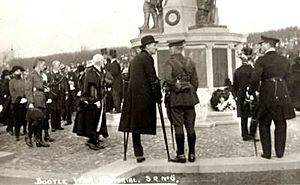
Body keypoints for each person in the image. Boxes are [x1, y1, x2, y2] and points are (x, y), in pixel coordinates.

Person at [249, 36, 295, 159]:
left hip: (267, 95)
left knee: (264, 123)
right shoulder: (284, 60)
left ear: (268, 44)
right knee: (281, 124)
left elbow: (255, 79)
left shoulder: (261, 60)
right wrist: (285, 92)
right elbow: (290, 80)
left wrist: (252, 92)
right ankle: (280, 153)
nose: (261, 46)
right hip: (282, 94)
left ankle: (267, 153)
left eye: (262, 44)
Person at [118, 35, 162, 163]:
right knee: (139, 124)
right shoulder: (147, 58)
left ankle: (139, 153)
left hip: (132, 97)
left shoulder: (135, 59)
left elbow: (128, 79)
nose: (156, 47)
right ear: (148, 46)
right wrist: (158, 96)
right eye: (154, 45)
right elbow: (152, 79)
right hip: (143, 97)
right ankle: (139, 153)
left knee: (134, 125)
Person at [163, 39, 199, 163]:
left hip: (176, 99)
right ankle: (192, 154)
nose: (169, 50)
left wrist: (177, 87)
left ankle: (181, 155)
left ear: (175, 48)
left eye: (170, 48)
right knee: (190, 126)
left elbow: (168, 79)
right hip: (190, 98)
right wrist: (189, 90)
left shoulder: (169, 63)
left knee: (178, 126)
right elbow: (195, 82)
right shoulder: (190, 62)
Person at [73, 54, 108, 150]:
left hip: (99, 99)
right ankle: (92, 141)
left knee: (97, 120)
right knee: (92, 121)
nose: (104, 62)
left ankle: (95, 139)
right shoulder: (92, 72)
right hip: (93, 101)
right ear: (100, 61)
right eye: (103, 60)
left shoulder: (98, 71)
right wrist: (94, 100)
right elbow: (92, 87)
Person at [232, 47, 257, 141]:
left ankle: (244, 134)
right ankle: (252, 133)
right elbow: (256, 83)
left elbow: (234, 86)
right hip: (252, 93)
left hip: (241, 94)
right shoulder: (253, 70)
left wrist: (236, 96)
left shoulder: (237, 71)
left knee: (244, 116)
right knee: (254, 115)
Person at [25, 58, 51, 147]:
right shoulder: (31, 75)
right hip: (35, 100)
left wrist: (45, 89)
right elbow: (28, 90)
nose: (44, 67)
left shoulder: (39, 75)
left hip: (41, 99)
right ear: (38, 65)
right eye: (43, 65)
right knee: (38, 119)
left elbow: (39, 87)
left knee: (41, 121)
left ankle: (39, 140)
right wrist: (30, 102)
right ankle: (28, 135)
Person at [47, 60, 68, 132]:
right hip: (52, 94)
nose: (59, 67)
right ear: (54, 66)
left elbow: (64, 84)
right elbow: (47, 85)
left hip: (60, 94)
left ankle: (58, 125)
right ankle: (53, 126)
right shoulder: (49, 75)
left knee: (59, 109)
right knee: (53, 110)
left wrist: (66, 92)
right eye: (58, 65)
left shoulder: (61, 75)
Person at [9, 66, 28, 141]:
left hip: (24, 101)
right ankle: (17, 133)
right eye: (17, 71)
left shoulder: (24, 80)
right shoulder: (11, 81)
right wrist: (19, 98)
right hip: (16, 102)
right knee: (17, 119)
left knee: (25, 117)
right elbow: (12, 92)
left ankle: (25, 130)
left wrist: (25, 97)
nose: (19, 72)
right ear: (14, 72)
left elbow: (27, 89)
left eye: (20, 71)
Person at [0, 70, 13, 134]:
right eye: (7, 75)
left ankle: (10, 128)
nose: (8, 76)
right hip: (3, 100)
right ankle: (9, 128)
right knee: (2, 114)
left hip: (8, 100)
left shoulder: (9, 81)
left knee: (9, 114)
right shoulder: (3, 82)